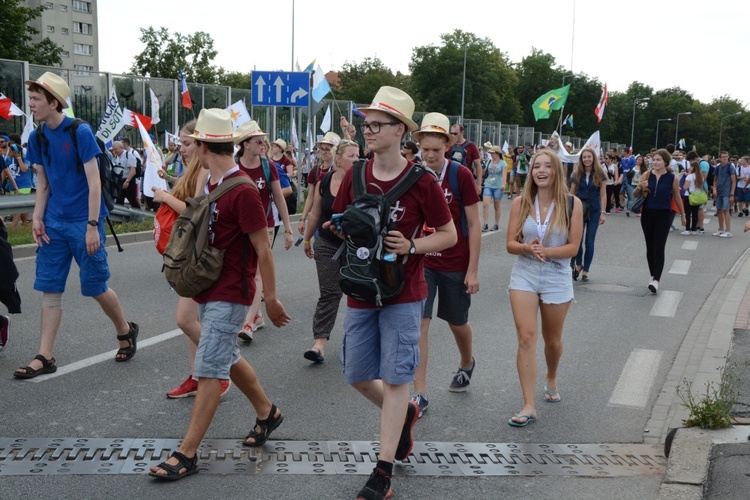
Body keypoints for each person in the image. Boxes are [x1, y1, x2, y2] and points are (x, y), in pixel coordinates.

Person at [148, 108, 291, 482]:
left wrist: (271, 299)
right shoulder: (209, 183)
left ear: (205, 146)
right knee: (225, 357)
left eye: (193, 144)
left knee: (209, 369)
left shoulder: (242, 190)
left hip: (231, 291)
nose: (189, 150)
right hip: (207, 287)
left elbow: (263, 249)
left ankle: (187, 452)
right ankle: (267, 411)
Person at [329, 87, 456, 500]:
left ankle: (382, 470)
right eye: (367, 123)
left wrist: (413, 246)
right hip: (362, 289)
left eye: (378, 124)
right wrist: (341, 228)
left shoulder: (422, 181)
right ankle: (405, 416)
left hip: (404, 292)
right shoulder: (356, 174)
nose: (369, 130)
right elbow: (344, 219)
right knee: (357, 375)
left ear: (400, 130)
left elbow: (450, 235)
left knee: (397, 377)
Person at [14, 72, 139, 379]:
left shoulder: (79, 131)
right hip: (54, 223)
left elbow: (95, 183)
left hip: (84, 222)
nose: (30, 103)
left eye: (36, 99)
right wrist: (38, 217)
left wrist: (93, 225)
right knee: (50, 289)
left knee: (96, 287)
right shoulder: (37, 136)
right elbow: (42, 181)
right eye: (30, 98)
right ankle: (45, 355)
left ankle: (125, 331)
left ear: (54, 102)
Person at [149, 120, 230, 399]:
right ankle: (198, 375)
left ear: (201, 144)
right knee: (191, 321)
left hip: (199, 257)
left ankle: (223, 370)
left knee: (185, 319)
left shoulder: (204, 172)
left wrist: (164, 197)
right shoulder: (193, 170)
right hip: (190, 255)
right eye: (180, 143)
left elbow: (193, 211)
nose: (181, 149)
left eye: (186, 143)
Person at [410, 112, 481, 419]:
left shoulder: (460, 175)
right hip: (422, 261)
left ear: (448, 147)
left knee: (457, 322)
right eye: (425, 149)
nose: (429, 156)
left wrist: (473, 270)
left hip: (455, 261)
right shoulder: (414, 174)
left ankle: (467, 362)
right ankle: (419, 393)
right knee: (418, 326)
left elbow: (475, 225)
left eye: (436, 151)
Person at [505, 149, 583, 427]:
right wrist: (527, 247)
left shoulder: (572, 204)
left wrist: (546, 251)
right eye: (536, 166)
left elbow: (573, 247)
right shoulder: (521, 203)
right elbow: (511, 244)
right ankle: (528, 404)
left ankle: (551, 376)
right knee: (526, 338)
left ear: (557, 170)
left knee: (552, 341)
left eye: (547, 166)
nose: (541, 171)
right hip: (525, 273)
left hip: (557, 274)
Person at [234, 121, 293, 342]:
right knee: (244, 272)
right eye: (258, 140)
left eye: (263, 140)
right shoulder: (234, 167)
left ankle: (248, 323)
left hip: (264, 225)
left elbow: (278, 197)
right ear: (245, 144)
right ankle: (257, 314)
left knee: (258, 272)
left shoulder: (268, 166)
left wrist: (288, 228)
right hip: (238, 227)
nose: (263, 144)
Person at [301, 139, 359, 363]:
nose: (356, 159)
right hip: (326, 243)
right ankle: (318, 345)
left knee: (357, 293)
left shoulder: (361, 182)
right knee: (330, 293)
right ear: (338, 158)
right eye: (351, 156)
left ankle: (355, 342)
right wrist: (307, 240)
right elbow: (316, 212)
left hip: (355, 246)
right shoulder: (325, 180)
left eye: (358, 155)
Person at [633, 149, 686, 294]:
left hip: (664, 215)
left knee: (659, 247)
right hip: (647, 214)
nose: (655, 162)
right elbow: (634, 194)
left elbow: (676, 196)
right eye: (653, 160)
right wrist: (640, 186)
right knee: (650, 247)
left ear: (665, 162)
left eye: (658, 160)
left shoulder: (672, 178)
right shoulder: (646, 174)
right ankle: (652, 275)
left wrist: (683, 214)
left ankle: (656, 280)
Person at [569, 147, 606, 282]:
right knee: (577, 240)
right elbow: (571, 193)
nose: (587, 159)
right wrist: (569, 211)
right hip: (579, 208)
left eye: (589, 157)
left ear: (593, 158)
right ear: (581, 159)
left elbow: (603, 193)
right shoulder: (576, 174)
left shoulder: (600, 173)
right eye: (584, 157)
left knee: (589, 241)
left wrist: (603, 212)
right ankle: (579, 264)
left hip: (595, 209)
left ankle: (586, 270)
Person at [297, 132, 340, 237]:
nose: (324, 152)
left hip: (334, 217)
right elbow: (310, 197)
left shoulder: (339, 171)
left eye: (327, 149)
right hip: (317, 217)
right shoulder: (315, 170)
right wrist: (303, 218)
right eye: (322, 148)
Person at [448, 123, 482, 193]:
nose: (453, 136)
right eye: (451, 133)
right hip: (451, 178)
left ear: (462, 132)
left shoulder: (471, 146)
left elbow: (478, 165)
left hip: (466, 178)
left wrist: (479, 184)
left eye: (455, 133)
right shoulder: (448, 145)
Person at [481, 145, 506, 232]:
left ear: (497, 154)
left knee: (497, 206)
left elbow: (504, 175)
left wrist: (503, 184)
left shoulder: (503, 163)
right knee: (485, 204)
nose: (491, 154)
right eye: (490, 153)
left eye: (492, 153)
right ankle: (485, 224)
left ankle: (496, 224)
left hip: (498, 187)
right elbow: (484, 173)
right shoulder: (489, 161)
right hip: (488, 184)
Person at [712, 151, 736, 238]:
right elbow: (715, 179)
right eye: (723, 157)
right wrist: (714, 189)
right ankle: (721, 229)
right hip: (719, 191)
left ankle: (728, 230)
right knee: (719, 210)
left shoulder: (730, 166)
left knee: (726, 210)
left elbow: (733, 181)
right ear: (720, 158)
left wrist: (732, 194)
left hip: (727, 191)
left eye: (726, 156)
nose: (725, 158)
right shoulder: (718, 167)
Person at [681, 160, 705, 235]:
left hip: (689, 196)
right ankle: (694, 229)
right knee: (695, 213)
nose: (689, 168)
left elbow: (685, 187)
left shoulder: (689, 176)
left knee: (688, 213)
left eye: (690, 166)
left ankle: (687, 229)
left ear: (693, 167)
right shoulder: (700, 176)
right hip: (697, 196)